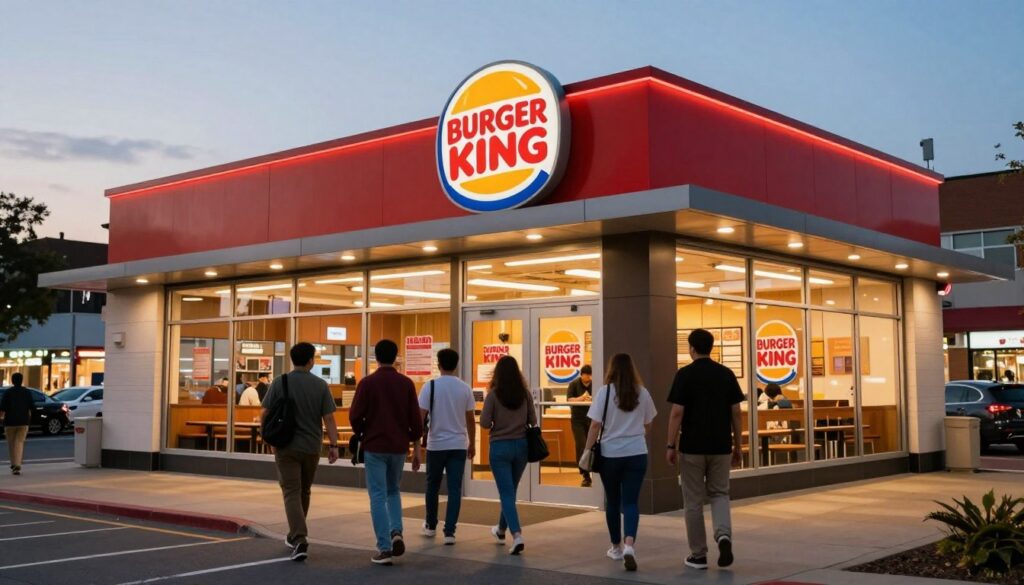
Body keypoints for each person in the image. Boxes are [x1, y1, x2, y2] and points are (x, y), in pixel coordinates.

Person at [666, 328, 744, 571]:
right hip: (721, 446)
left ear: (691, 348)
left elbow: (677, 412)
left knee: (693, 501)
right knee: (720, 493)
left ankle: (698, 555)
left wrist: (671, 444)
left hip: (692, 448)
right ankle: (723, 536)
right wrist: (738, 445)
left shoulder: (685, 374)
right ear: (711, 347)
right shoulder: (726, 374)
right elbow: (736, 412)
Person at [261, 342, 340, 563]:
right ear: (310, 361)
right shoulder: (320, 385)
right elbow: (329, 418)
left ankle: (299, 537)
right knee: (304, 491)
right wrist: (333, 445)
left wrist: (269, 439)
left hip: (286, 446)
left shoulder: (280, 382)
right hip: (312, 447)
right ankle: (296, 535)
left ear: (292, 359)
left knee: (291, 492)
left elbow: (265, 413)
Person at [350, 339, 423, 566]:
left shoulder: (367, 383)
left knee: (377, 496)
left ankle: (384, 547)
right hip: (399, 447)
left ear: (376, 357)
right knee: (393, 491)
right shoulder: (406, 384)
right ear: (396, 356)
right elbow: (416, 420)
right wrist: (413, 443)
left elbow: (354, 415)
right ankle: (396, 532)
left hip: (375, 446)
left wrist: (362, 431)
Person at [581, 354, 656, 572]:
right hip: (637, 453)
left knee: (612, 502)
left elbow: (595, 425)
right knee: (631, 502)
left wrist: (587, 450)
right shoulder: (642, 392)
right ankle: (629, 545)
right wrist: (636, 434)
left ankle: (615, 547)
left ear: (611, 369)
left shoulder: (604, 393)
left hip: (610, 455)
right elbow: (649, 424)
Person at [419, 348, 476, 545]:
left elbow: (421, 417)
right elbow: (470, 420)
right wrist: (472, 444)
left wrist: (417, 444)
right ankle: (450, 531)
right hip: (459, 444)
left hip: (436, 445)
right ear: (456, 364)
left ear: (438, 364)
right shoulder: (465, 388)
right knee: (454, 488)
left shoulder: (430, 386)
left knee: (432, 486)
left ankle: (430, 525)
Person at [479, 355, 535, 556]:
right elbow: (533, 420)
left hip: (500, 448)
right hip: (521, 446)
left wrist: (497, 423)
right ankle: (500, 530)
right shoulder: (526, 394)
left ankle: (517, 535)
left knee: (506, 493)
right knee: (510, 490)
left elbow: (484, 423)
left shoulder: (493, 395)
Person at [566, 364, 594, 487]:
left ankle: (591, 471)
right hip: (577, 419)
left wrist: (591, 399)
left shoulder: (595, 384)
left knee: (591, 446)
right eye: (585, 375)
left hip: (591, 418)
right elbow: (569, 400)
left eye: (589, 375)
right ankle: (585, 474)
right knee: (581, 444)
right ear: (581, 374)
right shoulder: (574, 384)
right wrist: (582, 398)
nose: (587, 378)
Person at [0, 373, 33, 476]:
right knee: (19, 442)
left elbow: (2, 407)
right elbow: (32, 406)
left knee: (11, 444)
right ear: (22, 380)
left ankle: (14, 464)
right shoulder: (27, 392)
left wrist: (2, 418)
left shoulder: (8, 392)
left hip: (10, 422)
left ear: (12, 380)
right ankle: (17, 464)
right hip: (23, 421)